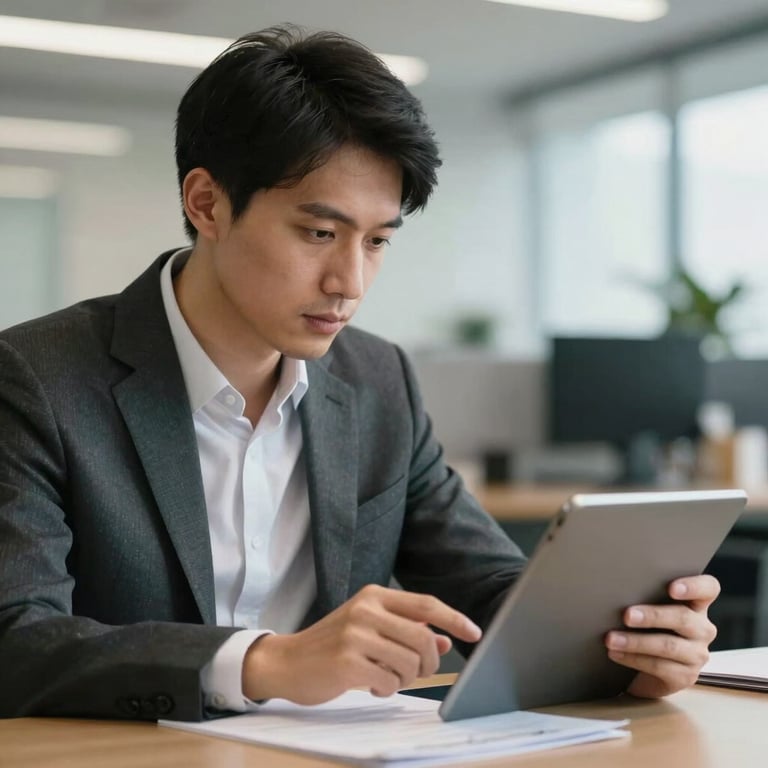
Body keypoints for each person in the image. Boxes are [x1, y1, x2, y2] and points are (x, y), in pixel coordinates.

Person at [0, 25, 718, 721]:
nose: (350, 280)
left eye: (376, 241)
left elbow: (490, 585)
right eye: (319, 233)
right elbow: (18, 640)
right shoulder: (39, 377)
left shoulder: (377, 379)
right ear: (207, 203)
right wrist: (265, 662)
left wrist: (628, 646)